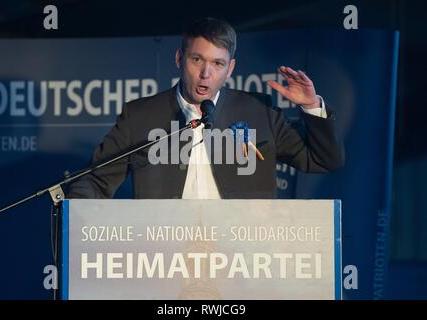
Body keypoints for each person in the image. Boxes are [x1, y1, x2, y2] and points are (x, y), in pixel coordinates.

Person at [66, 17, 343, 200]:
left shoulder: (260, 112)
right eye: (197, 59)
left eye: (218, 64)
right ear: (179, 58)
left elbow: (322, 159)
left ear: (230, 69)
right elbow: (95, 181)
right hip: (163, 257)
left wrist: (311, 106)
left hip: (242, 258)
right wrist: (77, 213)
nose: (205, 73)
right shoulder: (140, 116)